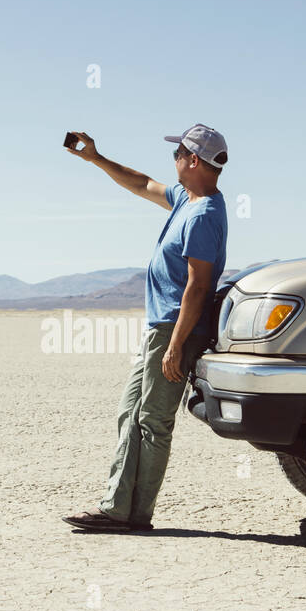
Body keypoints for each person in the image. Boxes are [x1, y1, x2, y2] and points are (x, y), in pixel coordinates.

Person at [62, 124, 229, 532]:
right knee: (130, 411)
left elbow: (198, 285)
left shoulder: (204, 212)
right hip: (163, 327)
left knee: (153, 419)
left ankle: (125, 512)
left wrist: (175, 346)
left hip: (176, 327)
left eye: (178, 153)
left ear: (193, 160)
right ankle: (125, 510)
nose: (172, 160)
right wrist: (96, 158)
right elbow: (141, 184)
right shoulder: (186, 200)